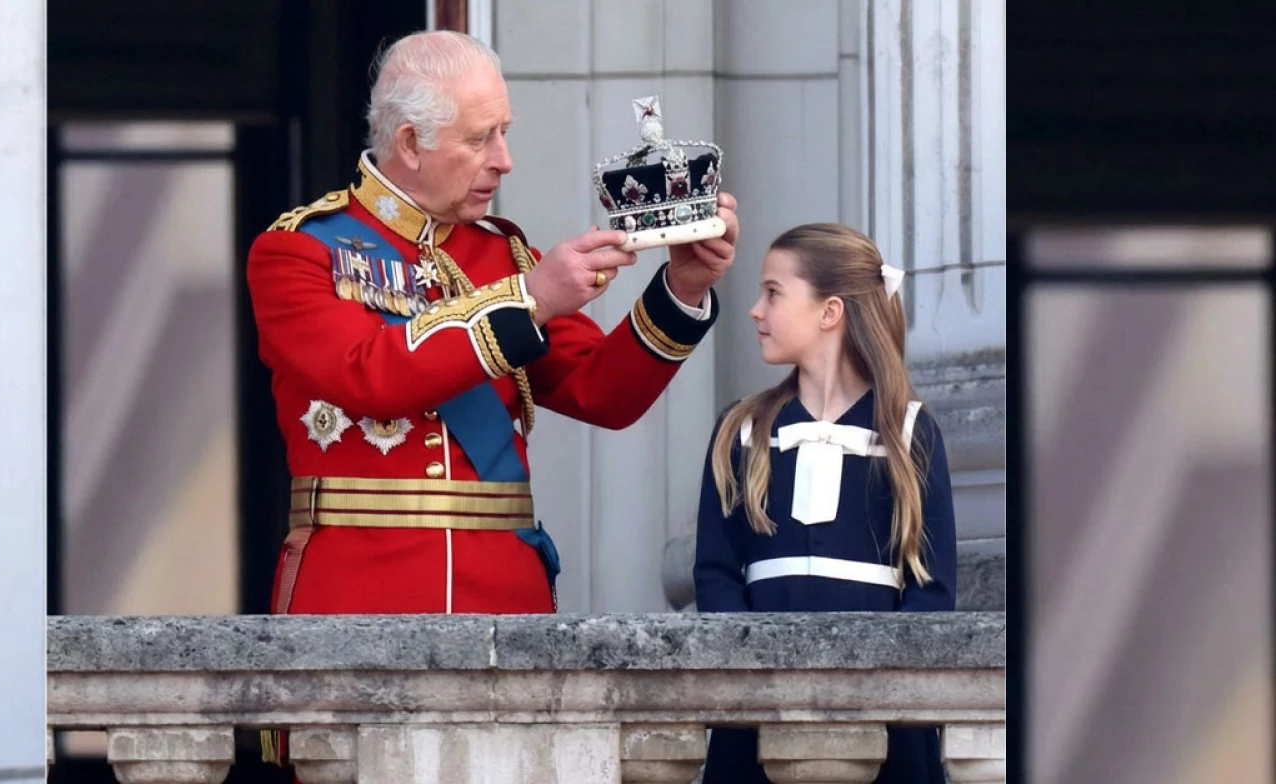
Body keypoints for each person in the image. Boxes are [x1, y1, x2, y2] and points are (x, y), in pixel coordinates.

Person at [245, 30, 739, 769]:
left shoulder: (501, 254)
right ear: (410, 143)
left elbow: (602, 391)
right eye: (482, 139)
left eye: (503, 132)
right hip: (360, 597)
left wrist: (682, 290)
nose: (504, 160)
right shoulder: (300, 251)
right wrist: (529, 301)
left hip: (504, 596)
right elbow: (366, 374)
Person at [693, 223, 957, 783]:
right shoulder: (740, 431)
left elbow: (932, 591)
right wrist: (759, 669)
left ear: (829, 311)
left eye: (773, 293)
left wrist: (875, 683)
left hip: (886, 729)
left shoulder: (910, 432)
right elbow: (715, 574)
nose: (755, 311)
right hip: (757, 719)